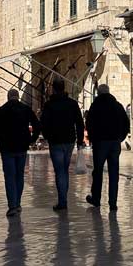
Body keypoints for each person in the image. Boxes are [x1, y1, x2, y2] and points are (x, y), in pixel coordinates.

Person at [0, 89, 40, 217]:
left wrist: (0, 137)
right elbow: (37, 125)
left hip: (7, 148)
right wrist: (31, 139)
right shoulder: (25, 109)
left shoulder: (2, 110)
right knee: (19, 175)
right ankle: (17, 203)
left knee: (9, 176)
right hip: (22, 147)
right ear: (17, 97)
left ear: (8, 97)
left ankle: (12, 206)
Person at [40, 79, 84, 211]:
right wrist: (80, 140)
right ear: (64, 88)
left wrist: (47, 136)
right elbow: (80, 123)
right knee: (64, 170)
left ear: (53, 89)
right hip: (69, 140)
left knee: (60, 171)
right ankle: (63, 199)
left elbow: (44, 123)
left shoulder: (49, 105)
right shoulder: (72, 104)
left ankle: (62, 201)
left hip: (56, 141)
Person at [85, 84, 130, 211]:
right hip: (114, 143)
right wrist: (119, 138)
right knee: (114, 173)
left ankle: (96, 198)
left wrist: (94, 139)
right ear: (109, 92)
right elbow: (126, 124)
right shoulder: (118, 106)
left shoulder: (95, 106)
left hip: (100, 143)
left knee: (98, 171)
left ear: (98, 93)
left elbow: (89, 124)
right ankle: (113, 202)